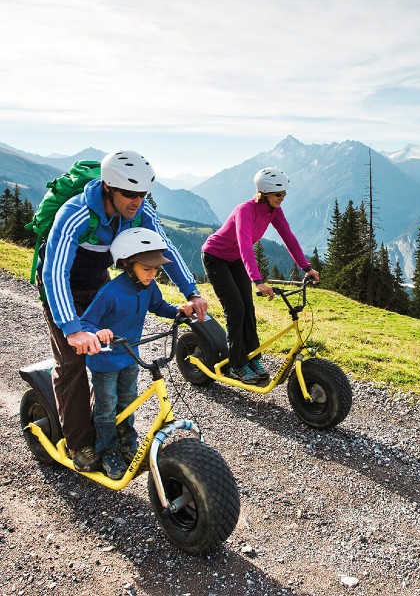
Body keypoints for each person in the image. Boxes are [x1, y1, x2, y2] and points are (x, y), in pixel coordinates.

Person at [39, 150, 208, 473]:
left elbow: (165, 247)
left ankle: (113, 430)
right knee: (73, 362)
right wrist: (72, 328)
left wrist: (191, 292)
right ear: (107, 187)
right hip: (61, 287)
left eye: (143, 193)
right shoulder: (74, 213)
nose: (137, 200)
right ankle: (80, 444)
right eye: (129, 193)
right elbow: (54, 272)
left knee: (113, 350)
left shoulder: (139, 211)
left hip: (98, 282)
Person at [81, 228, 194, 479]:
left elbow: (159, 306)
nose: (153, 274)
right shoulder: (109, 292)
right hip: (106, 359)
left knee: (129, 401)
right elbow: (85, 323)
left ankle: (127, 444)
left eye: (156, 269)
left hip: (130, 355)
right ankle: (107, 449)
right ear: (128, 264)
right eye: (147, 268)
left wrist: (179, 311)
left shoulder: (149, 287)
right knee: (106, 407)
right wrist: (99, 333)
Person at [202, 167, 319, 383]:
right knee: (236, 310)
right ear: (264, 192)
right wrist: (257, 281)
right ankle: (237, 365)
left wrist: (306, 267)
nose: (282, 198)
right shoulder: (245, 210)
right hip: (215, 257)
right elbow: (245, 245)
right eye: (278, 194)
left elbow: (289, 238)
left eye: (284, 194)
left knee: (248, 308)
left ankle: (253, 358)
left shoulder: (273, 210)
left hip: (235, 259)